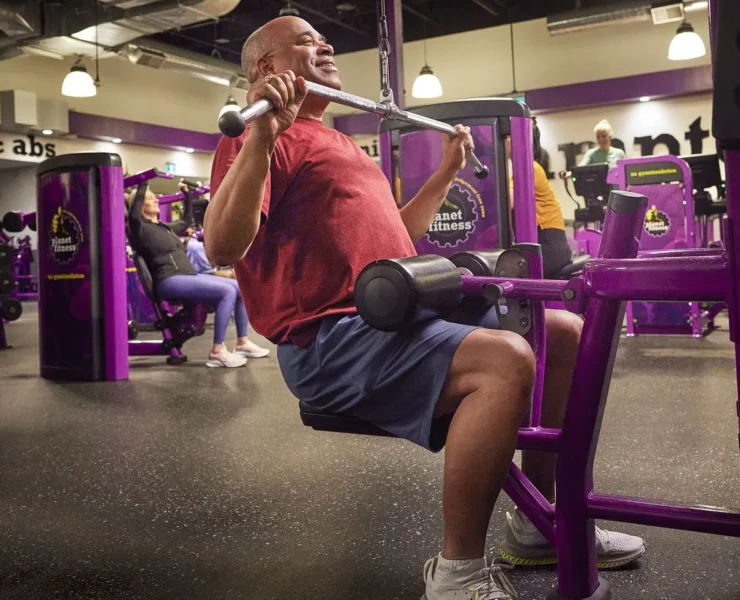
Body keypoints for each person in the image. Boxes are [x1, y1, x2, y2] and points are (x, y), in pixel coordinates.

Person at [205, 16, 645, 600]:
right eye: (308, 40)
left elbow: (397, 245)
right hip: (329, 340)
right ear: (266, 68)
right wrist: (261, 136)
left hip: (391, 313)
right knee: (504, 360)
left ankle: (539, 524)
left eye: (323, 37)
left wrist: (445, 174)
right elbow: (220, 247)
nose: (327, 44)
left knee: (560, 330)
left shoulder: (336, 140)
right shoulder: (257, 134)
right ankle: (456, 573)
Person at [127, 186, 269, 367]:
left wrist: (187, 195)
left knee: (238, 287)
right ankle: (218, 351)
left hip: (186, 275)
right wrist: (142, 184)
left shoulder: (164, 228)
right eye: (149, 198)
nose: (156, 200)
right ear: (139, 205)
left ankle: (242, 343)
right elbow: (132, 216)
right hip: (169, 280)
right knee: (226, 291)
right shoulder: (139, 228)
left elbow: (186, 221)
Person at [532, 119, 573, 278]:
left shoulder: (531, 168)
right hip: (548, 244)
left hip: (551, 247)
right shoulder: (530, 167)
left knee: (509, 276)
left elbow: (508, 203)